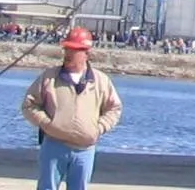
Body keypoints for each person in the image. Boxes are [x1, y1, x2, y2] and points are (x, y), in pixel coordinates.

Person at [20, 27, 123, 190]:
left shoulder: (101, 81)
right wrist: (47, 124)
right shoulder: (49, 77)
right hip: (54, 145)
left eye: (73, 50)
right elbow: (29, 104)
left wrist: (99, 128)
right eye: (67, 49)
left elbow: (114, 109)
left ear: (86, 53)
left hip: (85, 150)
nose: (68, 54)